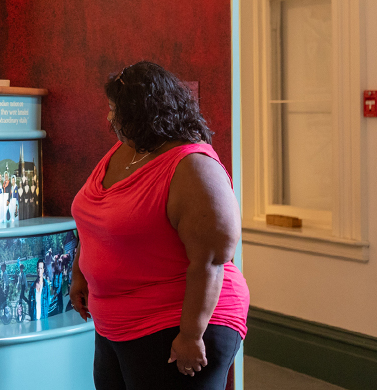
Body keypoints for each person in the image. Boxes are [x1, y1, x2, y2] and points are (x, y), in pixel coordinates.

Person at [71, 61, 249, 389]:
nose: (110, 119)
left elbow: (211, 261)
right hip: (117, 324)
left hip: (178, 324)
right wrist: (80, 275)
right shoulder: (125, 151)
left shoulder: (193, 168)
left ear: (145, 113)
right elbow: (95, 217)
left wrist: (191, 335)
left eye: (116, 111)